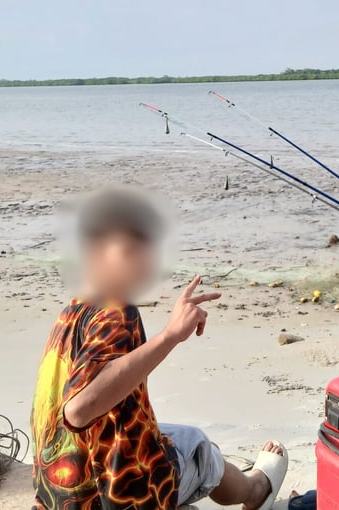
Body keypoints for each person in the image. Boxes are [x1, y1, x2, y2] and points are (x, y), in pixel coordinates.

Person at [31, 186, 288, 510]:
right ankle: (256, 492)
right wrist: (170, 335)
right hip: (106, 496)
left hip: (58, 486)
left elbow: (74, 405)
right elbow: (79, 409)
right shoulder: (116, 311)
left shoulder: (74, 309)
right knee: (197, 446)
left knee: (169, 435)